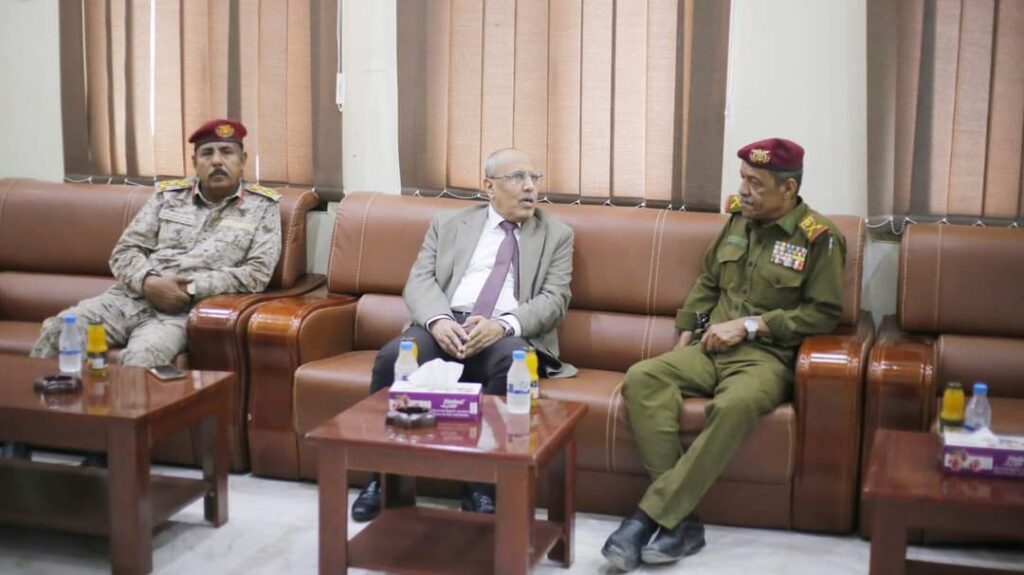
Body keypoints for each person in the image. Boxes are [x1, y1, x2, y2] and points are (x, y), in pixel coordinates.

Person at [601, 138, 845, 571]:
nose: (743, 190)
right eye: (743, 179)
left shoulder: (819, 238)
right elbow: (709, 282)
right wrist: (683, 338)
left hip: (765, 359)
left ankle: (644, 520)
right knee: (643, 376)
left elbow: (823, 314)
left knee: (734, 405)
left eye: (756, 183)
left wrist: (750, 325)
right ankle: (682, 523)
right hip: (708, 348)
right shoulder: (737, 220)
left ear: (788, 189)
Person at [13, 118, 282, 466]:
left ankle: (104, 453)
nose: (217, 160)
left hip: (181, 311)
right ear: (194, 161)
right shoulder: (167, 198)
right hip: (128, 298)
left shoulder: (262, 207)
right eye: (207, 153)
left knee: (141, 359)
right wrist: (148, 282)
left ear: (242, 160)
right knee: (60, 329)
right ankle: (22, 437)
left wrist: (190, 288)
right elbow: (124, 252)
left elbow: (256, 274)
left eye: (227, 152)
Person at [351, 148, 576, 521]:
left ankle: (483, 486)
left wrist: (502, 325)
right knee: (394, 357)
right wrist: (439, 321)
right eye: (517, 178)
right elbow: (419, 280)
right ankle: (381, 478)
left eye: (534, 178)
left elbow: (555, 299)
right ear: (489, 187)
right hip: (446, 321)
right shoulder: (449, 223)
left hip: (504, 329)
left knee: (515, 364)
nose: (530, 187)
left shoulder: (556, 234)